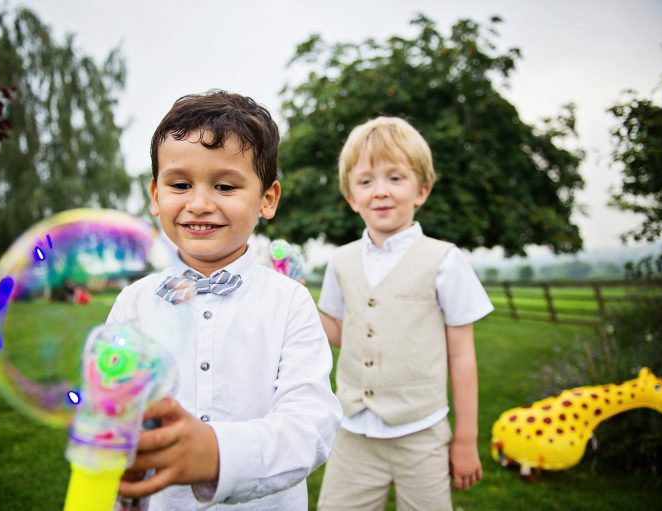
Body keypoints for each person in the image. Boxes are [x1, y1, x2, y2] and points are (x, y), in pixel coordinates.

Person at [106, 90, 341, 510]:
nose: (199, 203)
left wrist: (218, 454)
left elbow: (311, 424)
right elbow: (114, 411)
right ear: (156, 196)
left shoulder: (290, 303)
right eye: (180, 184)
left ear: (267, 199)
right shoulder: (133, 304)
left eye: (225, 185)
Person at [316, 117, 493, 511]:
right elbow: (341, 331)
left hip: (422, 432)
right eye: (365, 181)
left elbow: (462, 355)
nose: (380, 192)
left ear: (422, 190)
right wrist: (294, 298)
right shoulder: (340, 262)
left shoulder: (445, 261)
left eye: (395, 178)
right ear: (351, 196)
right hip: (353, 432)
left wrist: (465, 438)